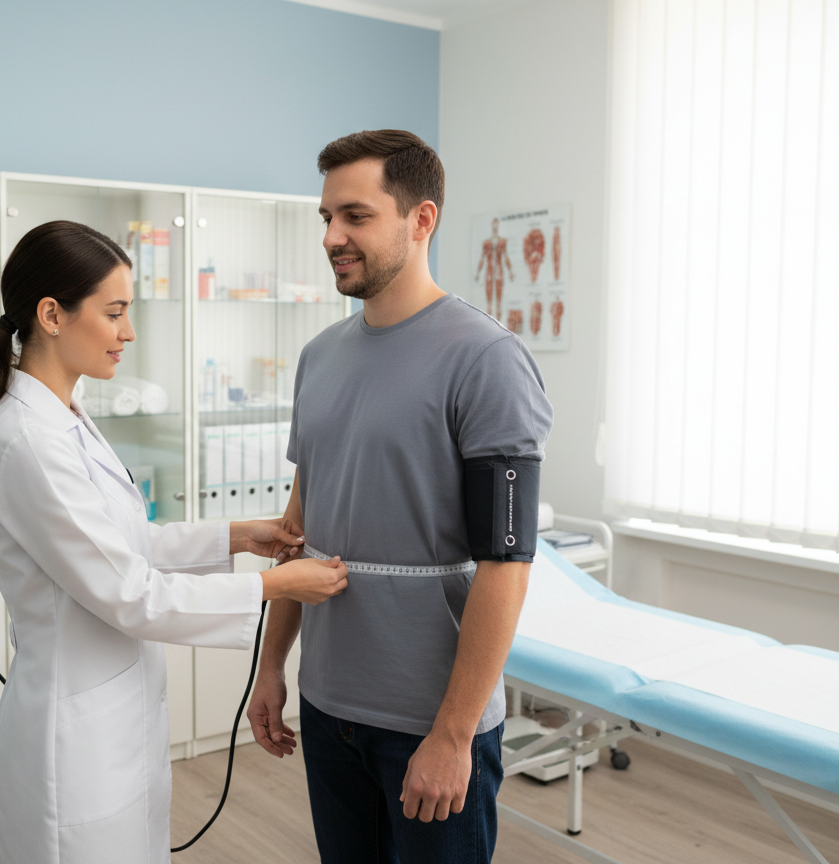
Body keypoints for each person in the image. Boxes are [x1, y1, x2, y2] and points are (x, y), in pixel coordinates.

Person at [0, 220, 349, 864]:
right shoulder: (29, 440)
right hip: (73, 743)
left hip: (114, 725)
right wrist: (278, 585)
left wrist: (241, 534)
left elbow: (127, 542)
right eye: (114, 313)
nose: (128, 332)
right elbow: (129, 594)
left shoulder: (67, 419)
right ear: (52, 315)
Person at [247, 131, 553, 863]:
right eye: (326, 218)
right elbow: (301, 532)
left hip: (430, 720)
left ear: (421, 220)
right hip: (327, 708)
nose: (332, 237)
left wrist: (452, 734)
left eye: (355, 216)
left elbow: (505, 566)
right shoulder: (320, 357)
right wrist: (269, 668)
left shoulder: (487, 360)